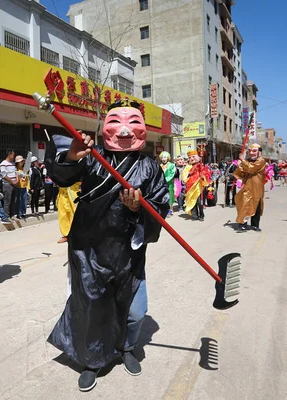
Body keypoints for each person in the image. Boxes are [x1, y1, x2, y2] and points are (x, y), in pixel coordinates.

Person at [45, 100, 169, 391]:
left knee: (137, 311)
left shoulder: (149, 166)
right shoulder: (91, 156)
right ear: (104, 128)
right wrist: (73, 156)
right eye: (116, 121)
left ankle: (127, 347)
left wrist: (141, 209)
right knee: (91, 307)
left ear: (145, 129)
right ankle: (91, 360)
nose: (125, 130)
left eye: (134, 122)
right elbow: (61, 177)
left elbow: (161, 206)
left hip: (128, 251)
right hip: (89, 249)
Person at [234, 143, 266, 231]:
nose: (251, 153)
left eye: (254, 151)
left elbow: (252, 169)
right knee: (245, 204)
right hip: (247, 186)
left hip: (257, 188)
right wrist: (239, 165)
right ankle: (242, 224)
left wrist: (243, 161)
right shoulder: (247, 162)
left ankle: (255, 225)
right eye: (250, 151)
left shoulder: (261, 161)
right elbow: (240, 173)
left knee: (256, 206)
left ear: (259, 152)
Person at [181, 150, 209, 221]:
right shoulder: (187, 167)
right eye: (190, 157)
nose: (192, 159)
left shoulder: (201, 165)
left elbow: (206, 174)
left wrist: (203, 177)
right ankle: (195, 215)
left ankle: (201, 215)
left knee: (200, 202)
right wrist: (189, 175)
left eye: (193, 157)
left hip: (199, 186)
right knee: (192, 201)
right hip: (190, 187)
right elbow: (184, 176)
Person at [0, 149, 18, 218]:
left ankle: (12, 215)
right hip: (7, 184)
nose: (14, 156)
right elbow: (4, 175)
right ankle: (6, 216)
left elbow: (16, 172)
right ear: (9, 155)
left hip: (14, 184)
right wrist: (12, 181)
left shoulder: (13, 164)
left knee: (13, 200)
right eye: (13, 155)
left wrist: (16, 180)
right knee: (7, 201)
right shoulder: (3, 164)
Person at [159, 151, 176, 216]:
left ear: (168, 158)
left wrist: (165, 180)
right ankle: (164, 210)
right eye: (162, 157)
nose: (163, 159)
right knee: (163, 196)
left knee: (170, 196)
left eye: (165, 157)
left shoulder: (171, 165)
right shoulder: (160, 166)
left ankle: (170, 210)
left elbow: (172, 174)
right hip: (161, 184)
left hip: (169, 184)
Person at [14, 155, 29, 219]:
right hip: (18, 187)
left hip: (24, 187)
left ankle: (23, 212)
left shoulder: (25, 169)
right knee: (19, 200)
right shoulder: (16, 170)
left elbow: (27, 178)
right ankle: (18, 213)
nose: (22, 163)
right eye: (21, 161)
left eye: (23, 161)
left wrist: (28, 187)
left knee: (24, 201)